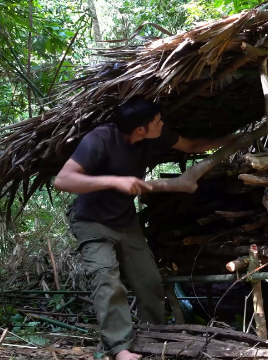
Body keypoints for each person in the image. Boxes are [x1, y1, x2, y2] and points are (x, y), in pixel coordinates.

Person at [54, 95, 234, 360]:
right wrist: (114, 182)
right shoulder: (100, 139)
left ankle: (155, 335)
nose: (162, 124)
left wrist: (231, 140)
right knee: (107, 279)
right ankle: (119, 348)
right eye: (158, 121)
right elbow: (63, 179)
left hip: (126, 222)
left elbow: (192, 145)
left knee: (148, 282)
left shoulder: (155, 136)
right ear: (141, 128)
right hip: (92, 221)